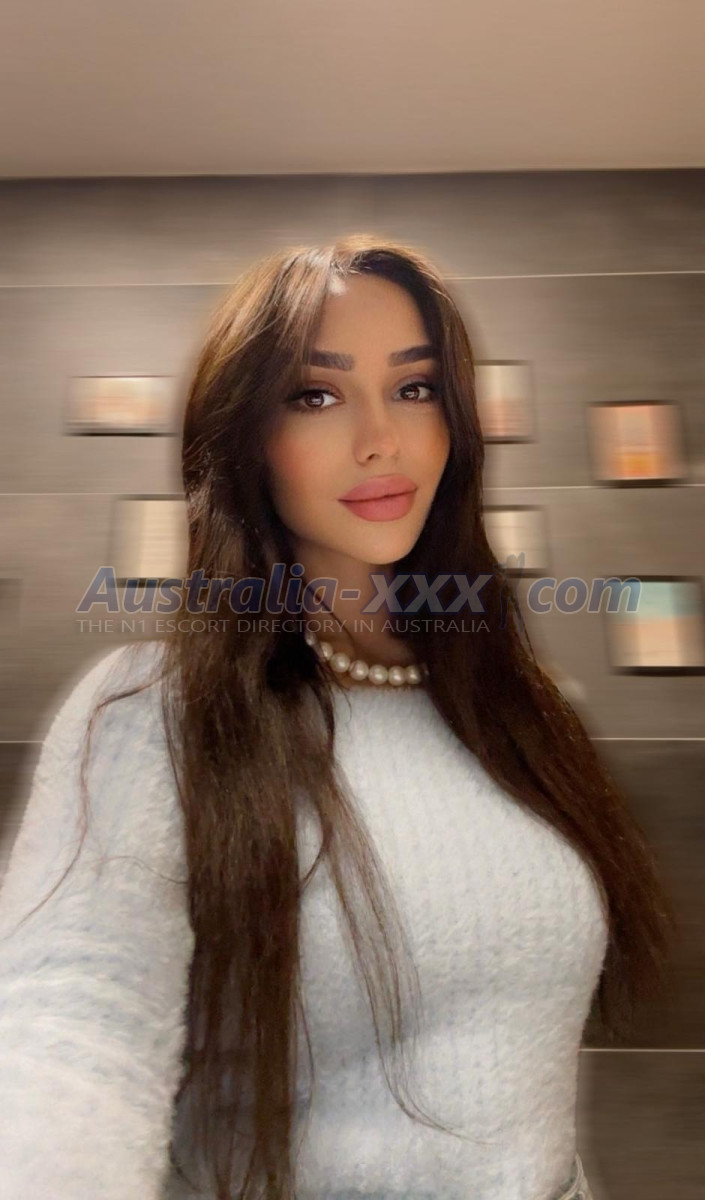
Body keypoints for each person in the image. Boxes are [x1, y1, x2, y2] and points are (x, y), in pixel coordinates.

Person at [0, 235, 677, 1200]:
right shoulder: (153, 708)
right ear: (243, 435)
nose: (380, 439)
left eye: (415, 388)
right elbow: (74, 1022)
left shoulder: (520, 707)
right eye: (316, 396)